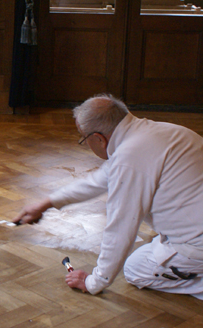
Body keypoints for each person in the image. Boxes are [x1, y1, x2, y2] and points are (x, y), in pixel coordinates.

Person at [13, 94, 203, 299]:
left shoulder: (129, 158)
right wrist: (46, 203)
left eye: (84, 138)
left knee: (135, 269)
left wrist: (94, 281)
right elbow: (99, 180)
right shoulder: (161, 132)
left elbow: (120, 228)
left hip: (197, 244)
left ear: (98, 138)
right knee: (156, 247)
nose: (86, 144)